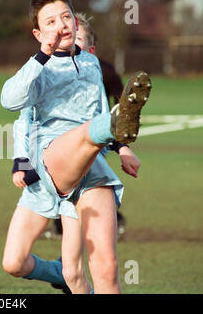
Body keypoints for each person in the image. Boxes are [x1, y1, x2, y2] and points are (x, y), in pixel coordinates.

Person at [1, 0, 151, 294]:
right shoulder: (37, 67)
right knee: (14, 264)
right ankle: (111, 123)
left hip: (90, 169)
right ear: (38, 34)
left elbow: (95, 109)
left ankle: (111, 125)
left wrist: (122, 148)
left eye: (66, 17)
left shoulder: (91, 63)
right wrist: (41, 56)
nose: (61, 25)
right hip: (50, 164)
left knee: (105, 267)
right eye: (51, 21)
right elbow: (10, 101)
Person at [40, 12, 139, 240]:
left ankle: (111, 223)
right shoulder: (48, 72)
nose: (70, 43)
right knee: (59, 190)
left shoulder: (104, 73)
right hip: (54, 149)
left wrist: (122, 145)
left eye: (77, 39)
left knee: (83, 188)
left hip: (92, 145)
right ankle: (64, 239)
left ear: (91, 50)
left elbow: (116, 108)